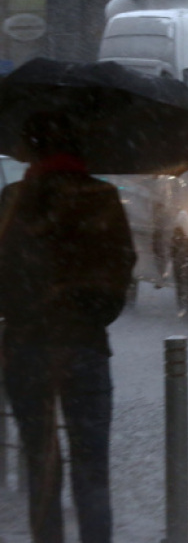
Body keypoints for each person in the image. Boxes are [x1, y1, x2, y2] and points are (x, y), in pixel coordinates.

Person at [0, 111, 136, 543]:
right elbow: (120, 271)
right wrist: (90, 315)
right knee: (92, 466)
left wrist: (22, 310)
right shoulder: (101, 197)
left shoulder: (13, 200)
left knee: (41, 463)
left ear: (30, 148)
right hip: (85, 345)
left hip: (25, 347)